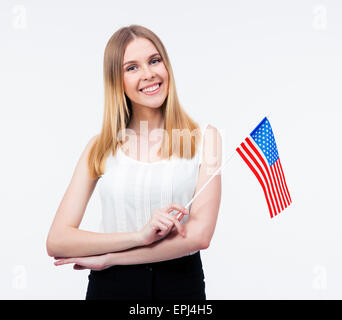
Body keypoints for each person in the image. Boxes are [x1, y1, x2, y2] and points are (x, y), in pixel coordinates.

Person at [46, 24, 222, 300]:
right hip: (111, 288)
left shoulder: (205, 139)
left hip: (178, 288)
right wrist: (138, 237)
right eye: (132, 67)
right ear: (117, 80)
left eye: (154, 61)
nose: (149, 74)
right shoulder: (100, 147)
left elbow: (200, 236)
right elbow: (57, 240)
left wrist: (112, 258)